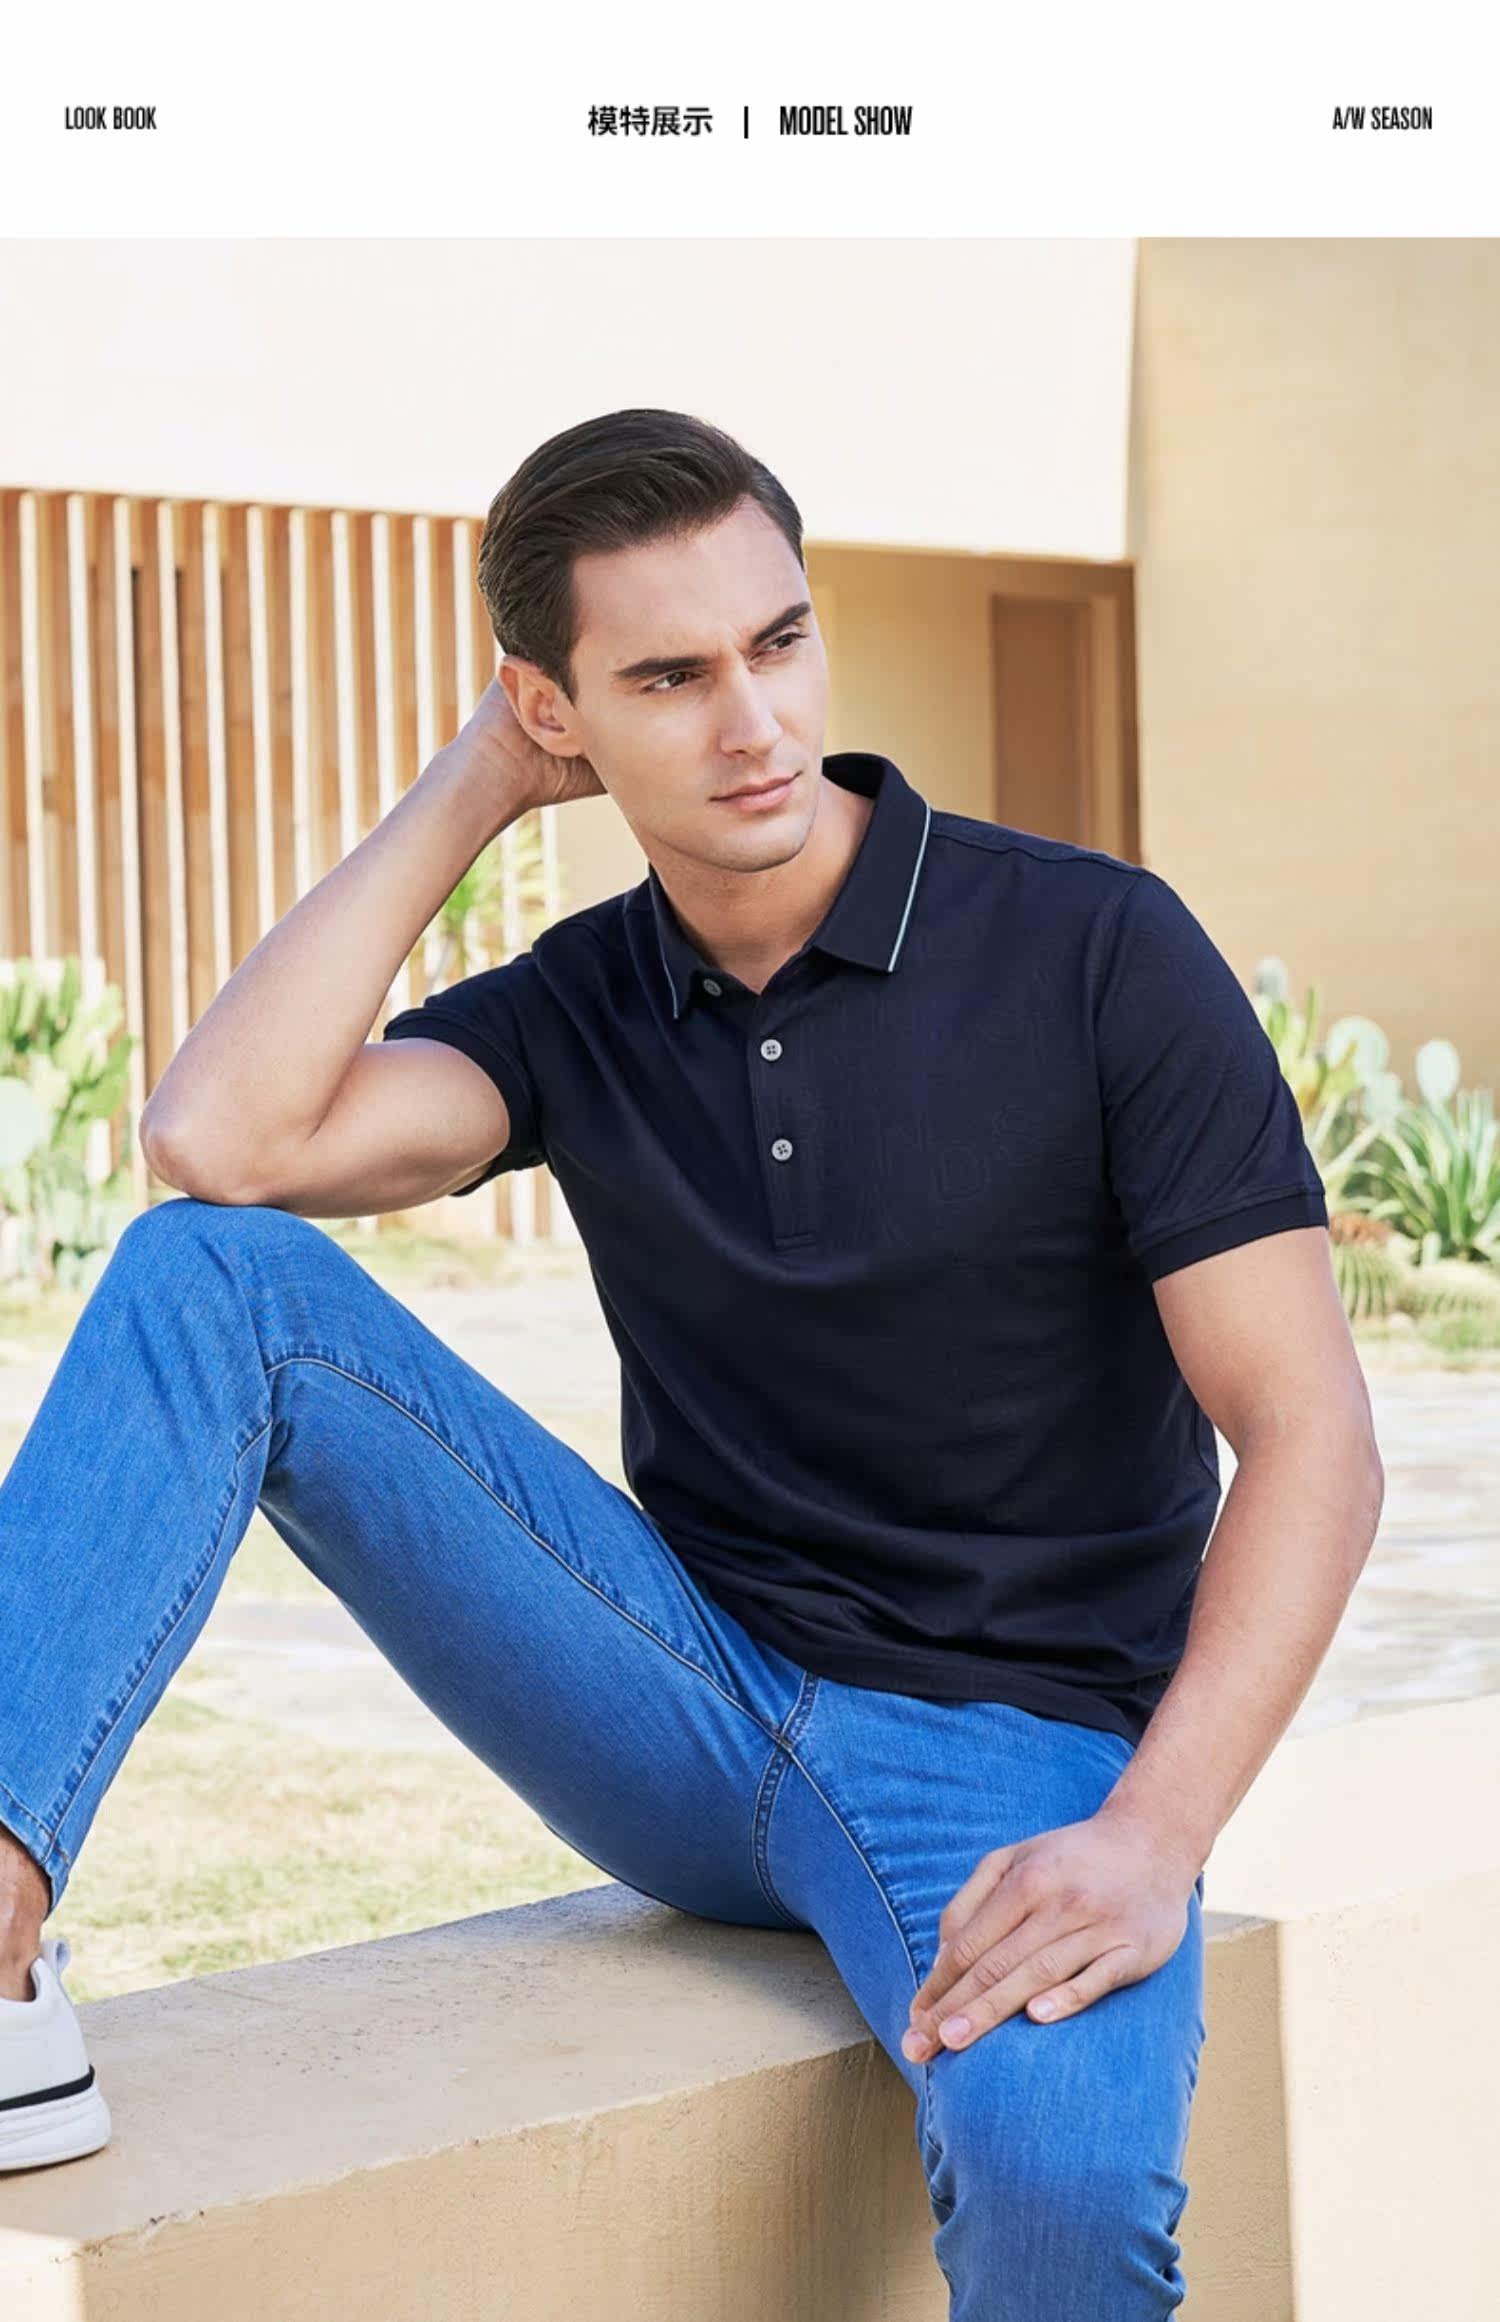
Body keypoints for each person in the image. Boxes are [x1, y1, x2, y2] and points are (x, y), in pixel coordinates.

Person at [0, 408, 1382, 2312]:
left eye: (779, 641)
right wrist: (482, 780)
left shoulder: (1096, 949)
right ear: (557, 709)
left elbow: (1310, 1435)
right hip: (680, 1695)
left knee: (1067, 2185)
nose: (755, 723)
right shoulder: (585, 999)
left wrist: (1155, 1835)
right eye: (667, 677)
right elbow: (218, 1142)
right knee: (212, 1277)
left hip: (1021, 1748)